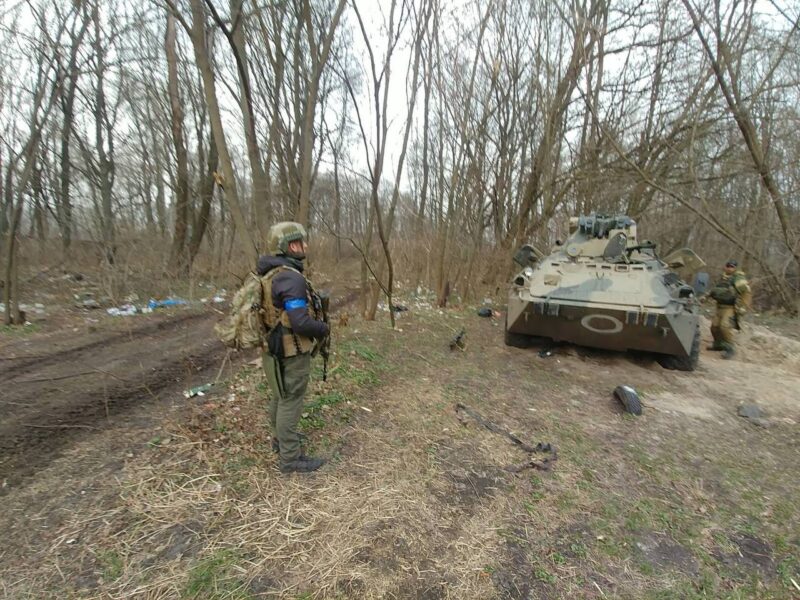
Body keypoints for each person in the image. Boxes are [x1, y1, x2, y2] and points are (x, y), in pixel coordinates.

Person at [258, 222, 329, 473]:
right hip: (291, 349)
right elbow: (300, 322)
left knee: (280, 395)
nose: (305, 245)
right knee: (291, 399)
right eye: (299, 242)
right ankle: (290, 459)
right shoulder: (290, 277)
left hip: (272, 347)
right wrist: (323, 329)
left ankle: (280, 441)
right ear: (286, 246)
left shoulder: (270, 272)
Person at [707, 259, 752, 359]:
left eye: (732, 267)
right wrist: (706, 297)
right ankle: (718, 344)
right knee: (714, 327)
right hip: (719, 306)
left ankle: (730, 348)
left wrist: (743, 307)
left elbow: (746, 292)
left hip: (729, 307)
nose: (729, 268)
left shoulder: (737, 278)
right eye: (728, 266)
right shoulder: (723, 278)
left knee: (725, 326)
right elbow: (714, 290)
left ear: (735, 268)